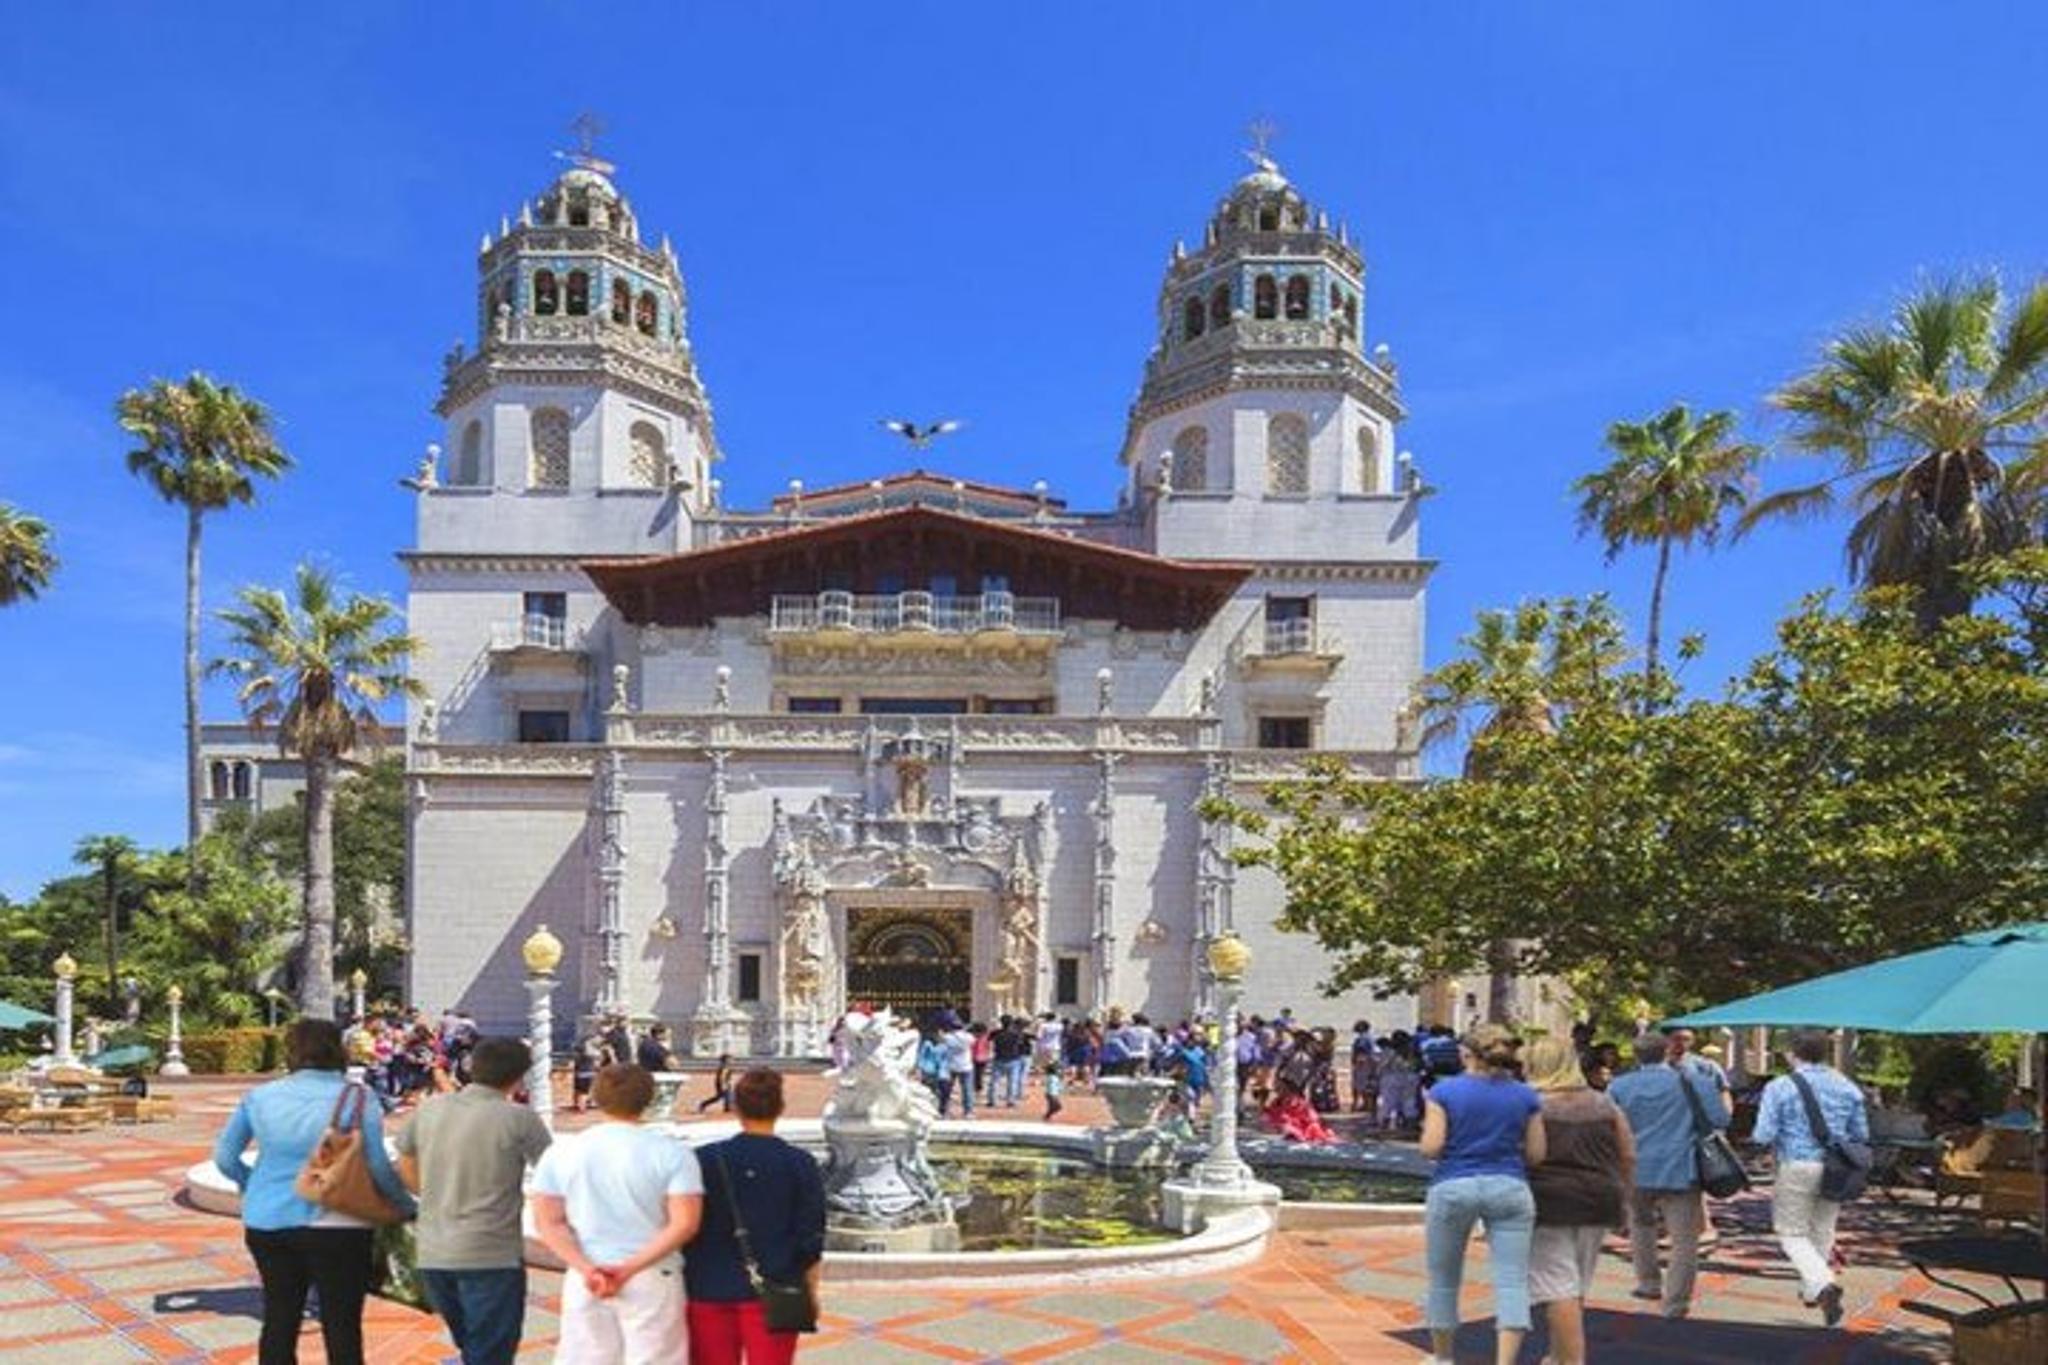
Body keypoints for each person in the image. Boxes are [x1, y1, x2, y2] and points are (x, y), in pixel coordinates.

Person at [212, 1019, 413, 1365]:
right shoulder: (359, 1097)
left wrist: (252, 1183)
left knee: (280, 1317)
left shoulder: (261, 1096)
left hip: (269, 1221)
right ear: (337, 1049)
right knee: (342, 1324)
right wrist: (405, 1205)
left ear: (293, 1051)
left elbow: (225, 1158)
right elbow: (378, 1164)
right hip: (339, 1224)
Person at [532, 1064, 705, 1362]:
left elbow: (548, 1222)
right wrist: (627, 1268)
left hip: (587, 1273)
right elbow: (685, 1223)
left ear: (597, 1096)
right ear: (649, 1099)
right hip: (652, 1272)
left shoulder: (562, 1152)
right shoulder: (672, 1153)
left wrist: (586, 1268)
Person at [396, 1036, 553, 1365]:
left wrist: (433, 1194)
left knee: (472, 1341)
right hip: (492, 1253)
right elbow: (555, 1174)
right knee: (490, 1349)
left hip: (435, 1250)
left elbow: (404, 1165)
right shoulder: (519, 1118)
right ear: (519, 1076)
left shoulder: (431, 1109)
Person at [1417, 1023, 1545, 1365]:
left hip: (1454, 1184)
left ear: (1465, 1054)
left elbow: (1431, 1147)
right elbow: (1536, 1155)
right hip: (1510, 1185)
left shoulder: (1444, 1093)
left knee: (1444, 1278)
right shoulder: (1526, 1095)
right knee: (1512, 1281)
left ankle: (1443, 1357)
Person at [686, 1069, 826, 1363]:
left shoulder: (703, 1159)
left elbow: (686, 1222)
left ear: (736, 1107)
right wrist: (810, 1289)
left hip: (707, 1283)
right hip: (778, 1283)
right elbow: (811, 1236)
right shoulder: (800, 1163)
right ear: (780, 1107)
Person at [1751, 1029, 1870, 1326]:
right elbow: (1861, 1134)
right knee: (1823, 1230)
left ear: (1793, 1053)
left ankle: (1822, 1283)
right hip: (1836, 1167)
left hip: (1796, 1164)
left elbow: (1763, 1134)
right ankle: (1811, 1292)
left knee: (1791, 1233)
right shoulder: (1847, 1086)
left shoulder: (1780, 1087)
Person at [1523, 1036, 1631, 1365]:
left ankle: (1571, 1360)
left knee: (1557, 1288)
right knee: (1574, 1284)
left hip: (1549, 1201)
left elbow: (1524, 1155)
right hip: (1601, 1197)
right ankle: (1558, 1354)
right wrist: (1627, 1200)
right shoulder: (1604, 1103)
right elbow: (1628, 1153)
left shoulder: (1531, 1104)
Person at [1608, 1032, 1728, 1320]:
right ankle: (1676, 1303)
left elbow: (1607, 1125)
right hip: (1681, 1167)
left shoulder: (1619, 1086)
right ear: (1666, 1052)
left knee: (1641, 1225)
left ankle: (1648, 1283)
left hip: (1635, 1167)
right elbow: (1721, 1119)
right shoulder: (1695, 1082)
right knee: (1685, 1239)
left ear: (1636, 1056)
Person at [1350, 1021, 1379, 1116]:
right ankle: (1366, 1104)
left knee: (1360, 1083)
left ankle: (1364, 1104)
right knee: (1366, 1083)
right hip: (1369, 1062)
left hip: (1363, 1062)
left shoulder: (1362, 1038)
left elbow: (1361, 1050)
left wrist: (1356, 1060)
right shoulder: (1370, 1038)